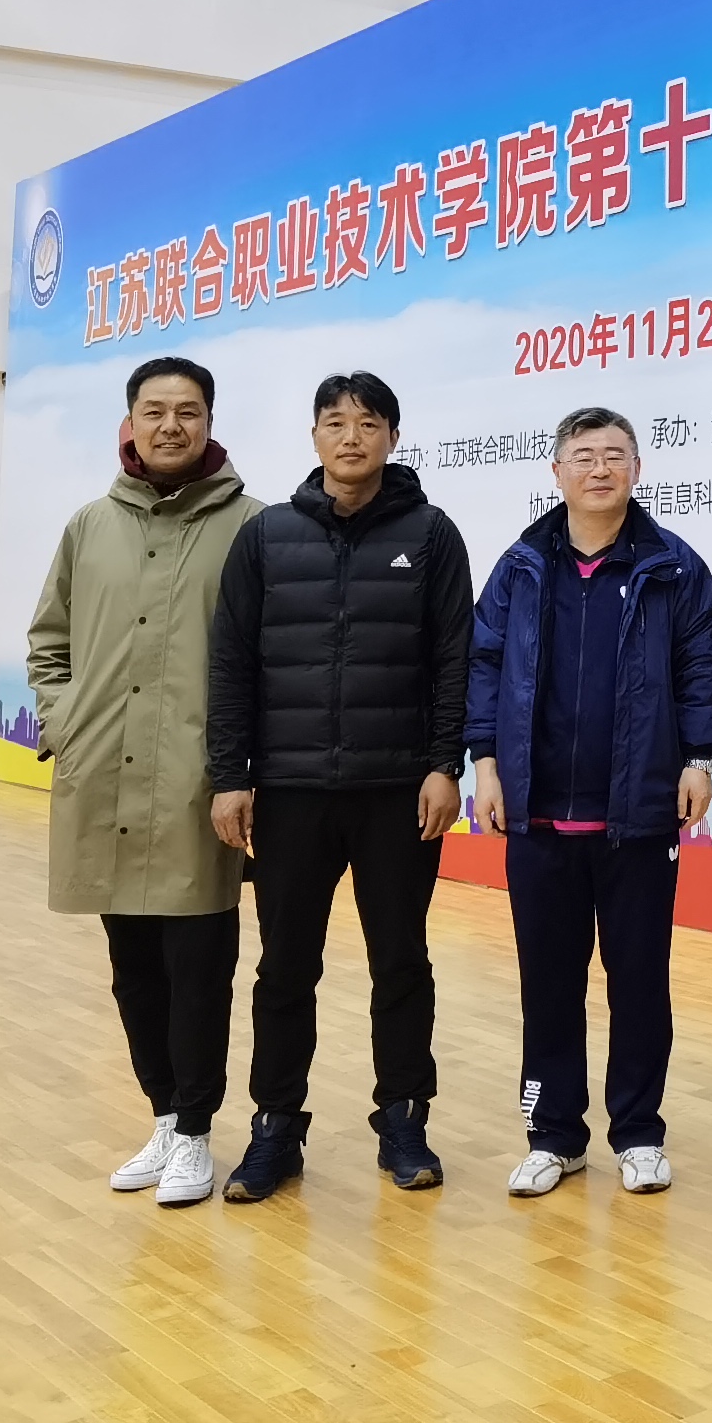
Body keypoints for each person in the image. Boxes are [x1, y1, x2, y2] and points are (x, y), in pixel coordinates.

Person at [206, 371, 474, 1198]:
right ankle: (275, 1128)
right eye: (335, 422)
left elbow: (453, 661)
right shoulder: (266, 535)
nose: (351, 437)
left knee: (402, 962)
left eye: (367, 423)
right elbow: (231, 660)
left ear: (392, 436)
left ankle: (404, 1122)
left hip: (397, 790)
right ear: (314, 436)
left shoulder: (431, 533)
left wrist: (444, 765)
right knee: (286, 967)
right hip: (289, 791)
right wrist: (231, 775)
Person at [465, 406, 712, 1199]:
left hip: (637, 815)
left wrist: (698, 757)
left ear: (637, 469)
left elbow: (700, 666)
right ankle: (554, 1137)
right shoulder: (520, 566)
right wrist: (485, 763)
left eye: (615, 455)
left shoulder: (673, 566)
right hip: (538, 815)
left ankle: (639, 1133)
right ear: (557, 472)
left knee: (639, 982)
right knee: (548, 985)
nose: (600, 468)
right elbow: (484, 663)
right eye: (583, 455)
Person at [25, 355, 262, 1208]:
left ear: (210, 423)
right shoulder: (90, 525)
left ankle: (195, 1130)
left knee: (199, 966)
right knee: (132, 967)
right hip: (104, 781)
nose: (171, 425)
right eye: (154, 410)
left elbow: (272, 659)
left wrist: (243, 768)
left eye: (187, 411)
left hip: (197, 788)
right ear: (129, 423)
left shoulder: (253, 529)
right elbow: (48, 641)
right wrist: (64, 722)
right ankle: (164, 1116)